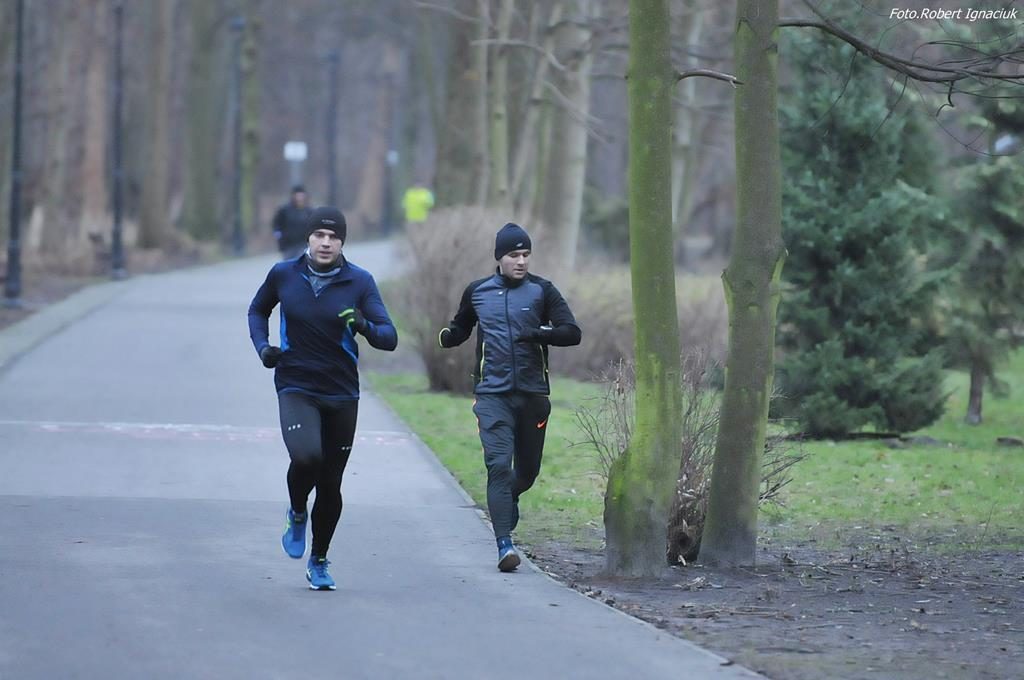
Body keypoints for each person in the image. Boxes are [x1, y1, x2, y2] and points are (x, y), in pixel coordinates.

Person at [248, 206, 398, 590]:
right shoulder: (284, 274)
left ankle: (319, 560)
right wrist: (264, 347)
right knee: (306, 457)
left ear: (342, 242)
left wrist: (362, 324)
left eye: (334, 237)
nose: (326, 242)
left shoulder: (359, 282)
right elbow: (258, 310)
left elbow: (389, 337)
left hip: (342, 392)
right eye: (319, 235)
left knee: (331, 483)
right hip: (295, 384)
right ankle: (298, 511)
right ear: (309, 238)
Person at [437, 223, 581, 572]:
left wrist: (539, 334)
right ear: (499, 258)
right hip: (492, 394)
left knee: (527, 473)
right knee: (498, 466)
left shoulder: (542, 291)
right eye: (514, 255)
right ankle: (505, 545)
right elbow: (462, 325)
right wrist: (450, 336)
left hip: (533, 395)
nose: (521, 261)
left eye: (526, 254)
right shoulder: (478, 292)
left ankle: (510, 496)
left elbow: (572, 333)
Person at [271, 185, 314, 258]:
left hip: (303, 244)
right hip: (288, 245)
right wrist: (278, 235)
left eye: (301, 195)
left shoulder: (309, 211)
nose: (299, 197)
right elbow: (276, 224)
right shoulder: (284, 210)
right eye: (297, 195)